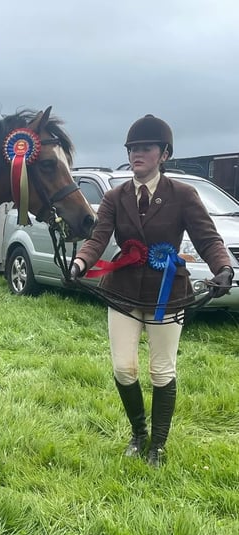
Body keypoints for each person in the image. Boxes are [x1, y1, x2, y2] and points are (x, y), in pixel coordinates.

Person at [69, 114, 234, 467]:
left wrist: (223, 267)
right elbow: (98, 238)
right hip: (123, 292)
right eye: (132, 149)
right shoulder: (115, 197)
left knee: (162, 371)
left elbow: (208, 238)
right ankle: (138, 434)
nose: (136, 155)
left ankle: (157, 445)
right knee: (123, 369)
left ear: (164, 154)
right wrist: (80, 263)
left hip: (167, 294)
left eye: (145, 148)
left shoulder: (184, 195)